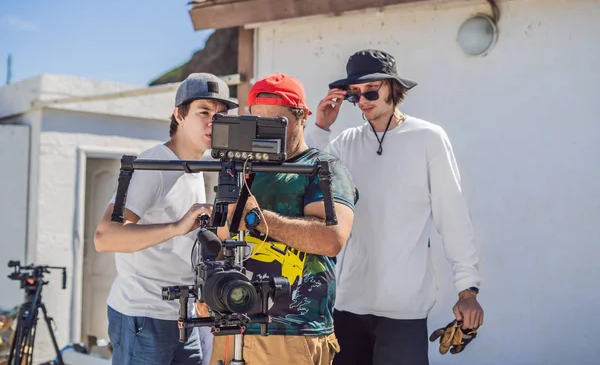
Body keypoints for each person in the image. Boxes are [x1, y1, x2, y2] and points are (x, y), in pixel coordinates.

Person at [304, 49, 484, 365]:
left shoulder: (428, 138)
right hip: (347, 307)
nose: (363, 101)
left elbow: (452, 215)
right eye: (354, 95)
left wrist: (467, 291)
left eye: (371, 90)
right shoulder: (344, 142)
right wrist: (320, 127)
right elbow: (304, 183)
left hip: (405, 309)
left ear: (392, 87)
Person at [208, 73, 359, 365]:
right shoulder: (239, 170)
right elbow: (220, 241)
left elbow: (331, 239)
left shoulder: (323, 168)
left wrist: (256, 218)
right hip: (230, 327)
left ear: (302, 117)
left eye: (276, 123)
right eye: (257, 122)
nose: (265, 132)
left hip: (291, 332)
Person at [94, 73, 239, 365]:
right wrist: (177, 227)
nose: (213, 122)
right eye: (203, 112)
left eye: (220, 115)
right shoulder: (154, 166)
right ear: (178, 114)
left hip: (183, 315)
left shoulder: (195, 168)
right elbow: (105, 236)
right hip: (144, 316)